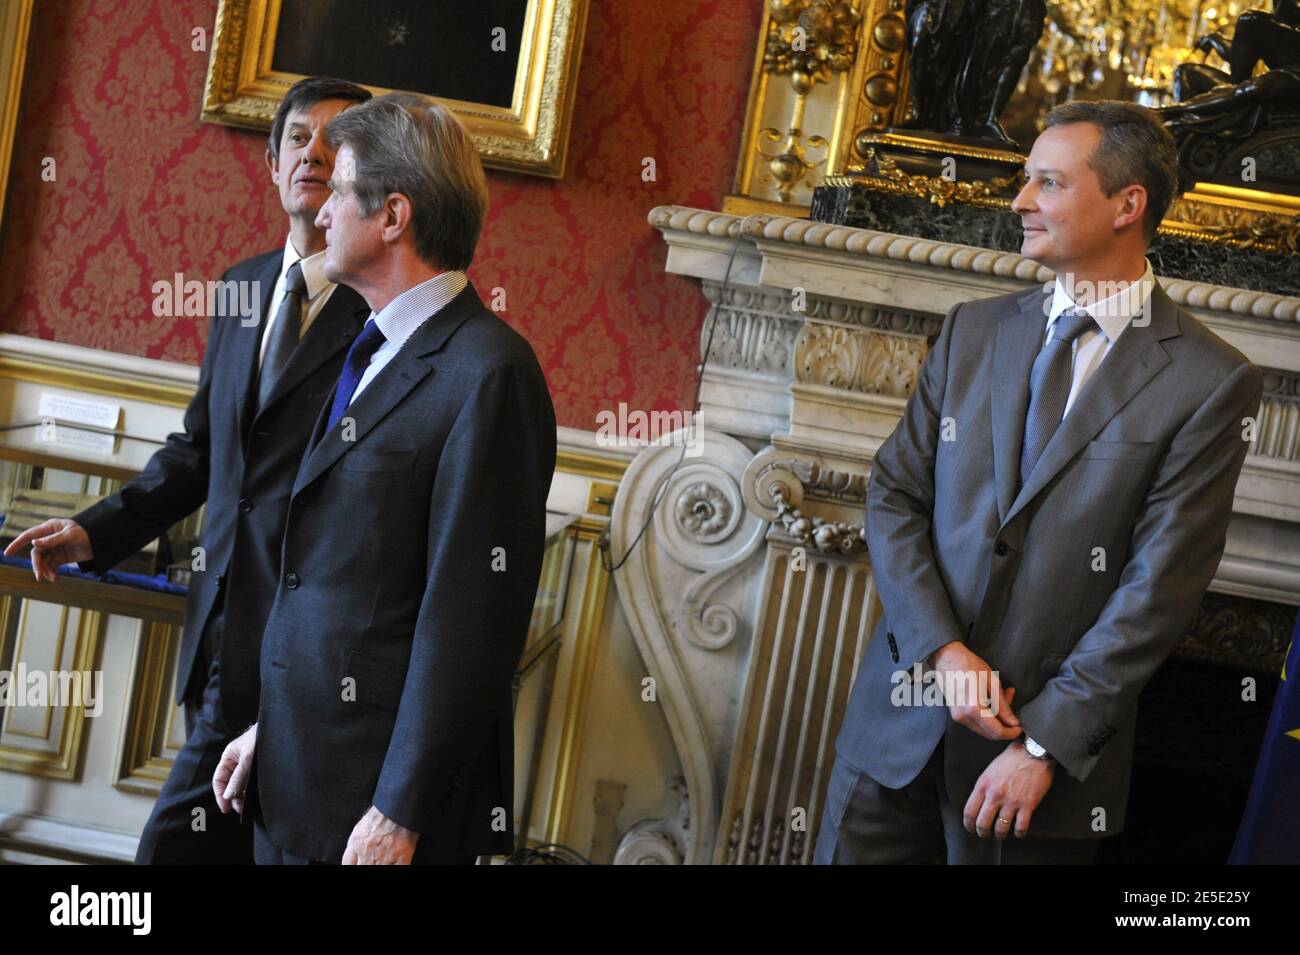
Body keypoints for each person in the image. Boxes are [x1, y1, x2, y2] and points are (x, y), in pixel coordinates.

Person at [815, 100, 1263, 864]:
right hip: (891, 738)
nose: (1020, 201)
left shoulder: (1210, 382)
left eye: (1047, 184)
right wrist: (944, 653)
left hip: (1030, 780)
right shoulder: (973, 329)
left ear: (1128, 205)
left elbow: (1159, 592)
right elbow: (895, 495)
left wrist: (1047, 745)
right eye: (1026, 181)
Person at [3, 76, 373, 864]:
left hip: (307, 644)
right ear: (273, 163)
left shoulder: (381, 313)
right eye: (299, 136)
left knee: (168, 852)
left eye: (337, 140)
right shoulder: (241, 287)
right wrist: (92, 530)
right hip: (215, 633)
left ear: (365, 175)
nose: (314, 151)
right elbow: (201, 450)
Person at [211, 93, 557, 865]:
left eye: (340, 191)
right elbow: (341, 579)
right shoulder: (368, 347)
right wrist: (273, 722)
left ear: (392, 215)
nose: (323, 210)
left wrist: (400, 810)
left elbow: (469, 620)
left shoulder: (489, 373)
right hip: (296, 771)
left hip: (374, 814)